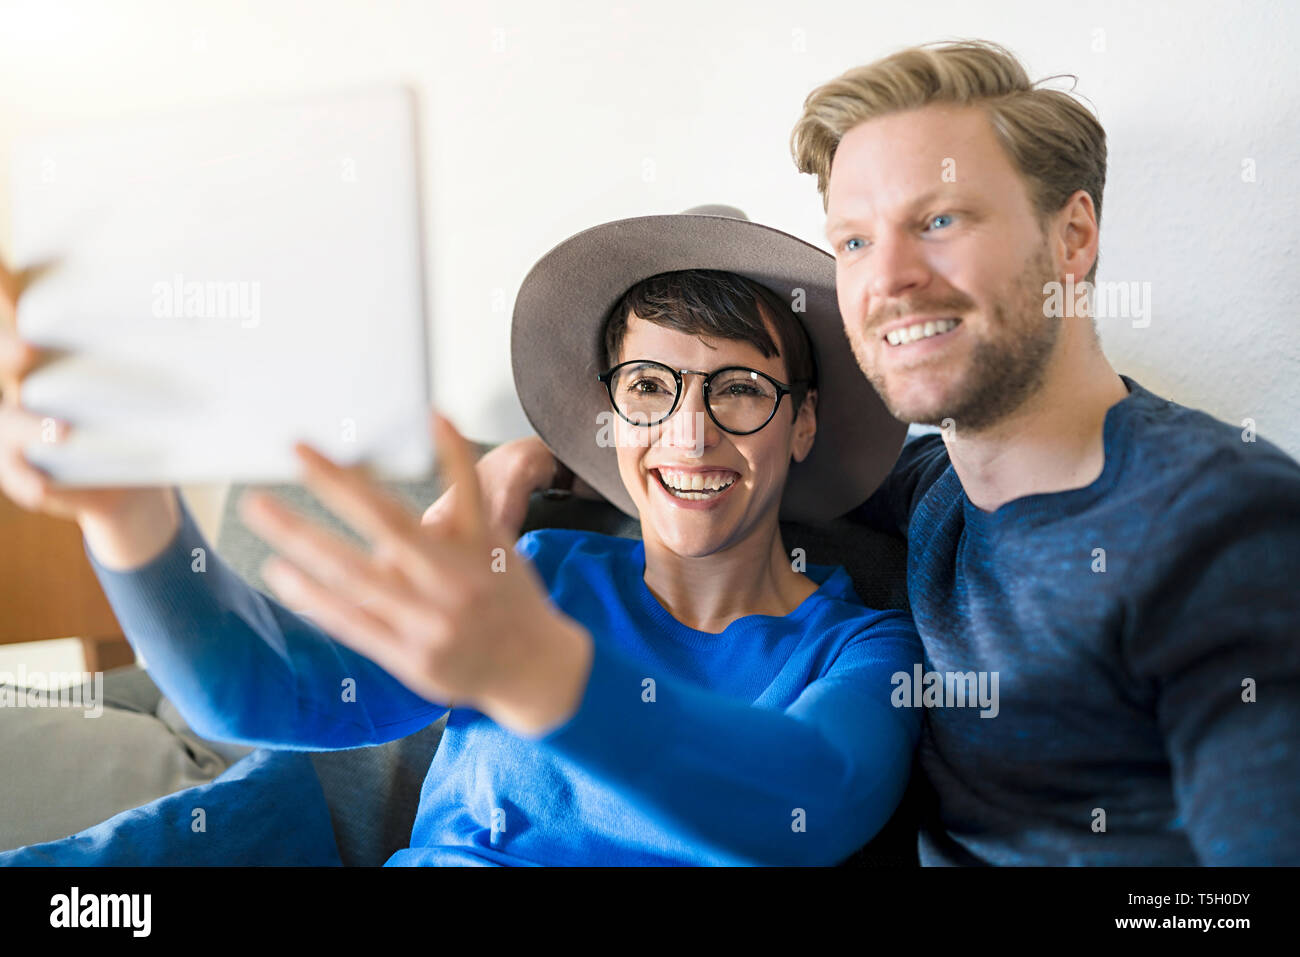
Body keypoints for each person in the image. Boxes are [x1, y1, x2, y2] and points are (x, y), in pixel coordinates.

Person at [450, 41, 1300, 865]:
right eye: (854, 240)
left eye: (939, 219)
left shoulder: (1221, 523)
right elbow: (722, 453)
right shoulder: (933, 488)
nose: (887, 278)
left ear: (1073, 239)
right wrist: (541, 453)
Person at [0, 207, 923, 866]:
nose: (689, 433)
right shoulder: (538, 571)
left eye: (741, 388)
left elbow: (802, 800)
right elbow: (265, 692)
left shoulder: (863, 649)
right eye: (649, 386)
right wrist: (127, 516)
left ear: (801, 425)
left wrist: (546, 678)